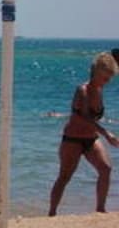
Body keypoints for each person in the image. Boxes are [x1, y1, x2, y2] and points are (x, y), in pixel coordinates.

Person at [49, 52, 119, 216]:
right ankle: (52, 213)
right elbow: (84, 117)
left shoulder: (99, 90)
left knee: (106, 169)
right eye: (105, 76)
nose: (108, 80)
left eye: (110, 77)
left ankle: (100, 209)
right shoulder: (83, 90)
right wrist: (106, 133)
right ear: (96, 72)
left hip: (91, 138)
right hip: (73, 139)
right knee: (64, 177)